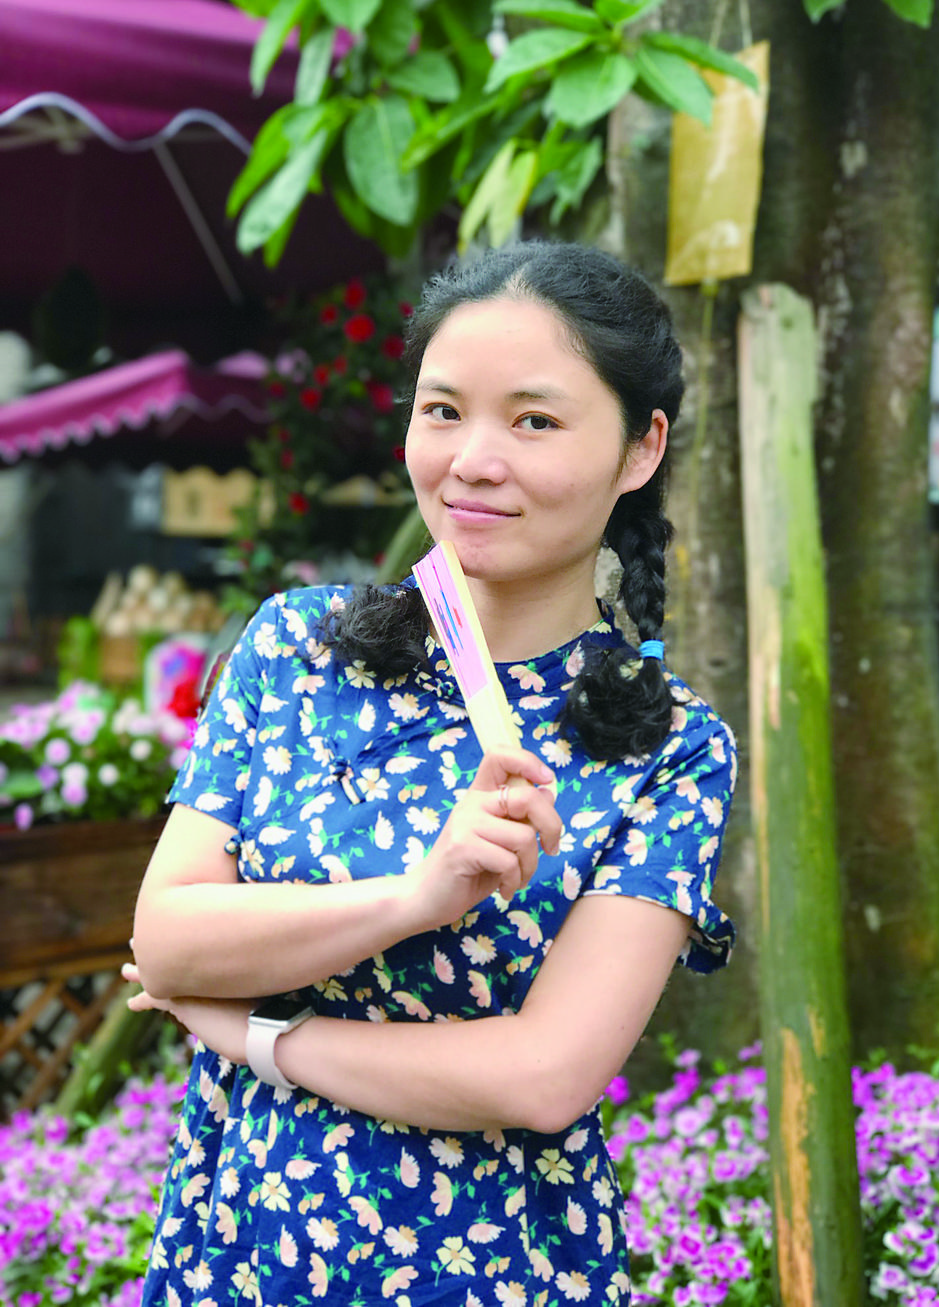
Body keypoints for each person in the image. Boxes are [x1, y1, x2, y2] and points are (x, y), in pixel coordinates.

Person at [125, 241, 738, 1307]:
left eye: (534, 420)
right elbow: (167, 937)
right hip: (235, 1247)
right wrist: (414, 897)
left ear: (641, 448)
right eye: (444, 410)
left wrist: (256, 1035)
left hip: (496, 1267)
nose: (472, 459)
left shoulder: (671, 745)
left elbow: (541, 1075)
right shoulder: (294, 647)